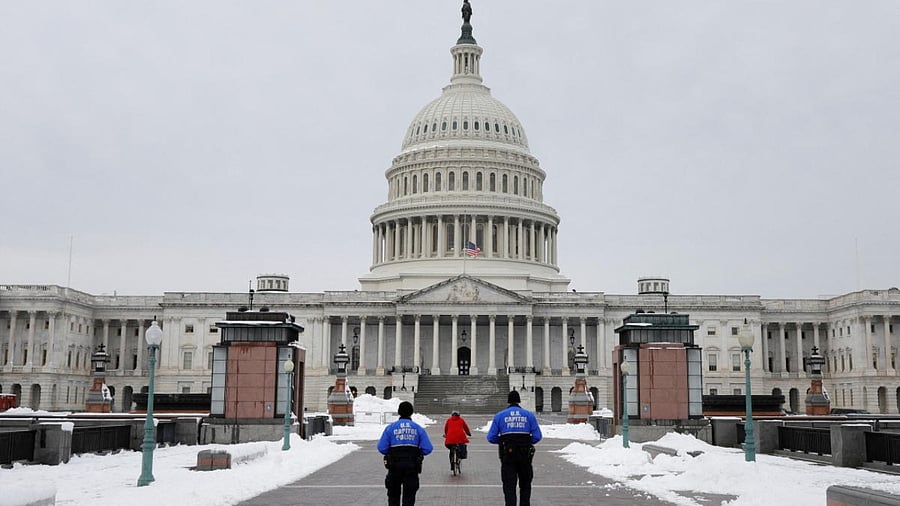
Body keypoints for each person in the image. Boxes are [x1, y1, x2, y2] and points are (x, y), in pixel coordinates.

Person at [487, 390, 542, 506]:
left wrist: (503, 441)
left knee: (509, 487)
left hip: (508, 456)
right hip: (525, 456)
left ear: (508, 401)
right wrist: (526, 441)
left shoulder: (500, 416)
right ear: (519, 401)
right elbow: (537, 436)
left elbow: (491, 437)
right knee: (525, 485)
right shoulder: (529, 415)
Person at [377, 401, 434, 506]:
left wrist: (391, 451)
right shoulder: (418, 428)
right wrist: (417, 452)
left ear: (399, 412)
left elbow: (381, 448)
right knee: (409, 497)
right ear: (411, 412)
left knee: (393, 496)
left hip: (394, 466)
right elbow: (428, 448)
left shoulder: (390, 428)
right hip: (412, 466)